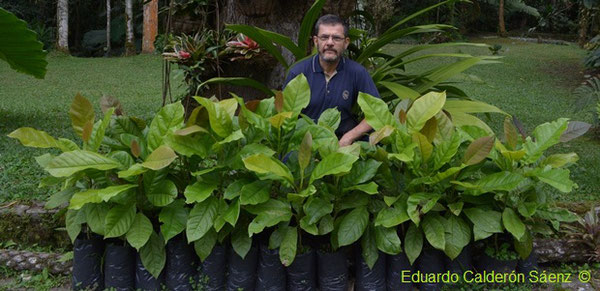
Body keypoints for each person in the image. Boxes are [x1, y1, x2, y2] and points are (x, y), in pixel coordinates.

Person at [283, 14, 380, 147]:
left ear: (346, 43)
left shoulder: (357, 73)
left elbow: (377, 113)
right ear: (316, 41)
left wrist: (348, 137)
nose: (329, 42)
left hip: (344, 143)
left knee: (374, 146)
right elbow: (284, 115)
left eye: (336, 38)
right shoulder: (298, 73)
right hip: (306, 144)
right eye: (324, 37)